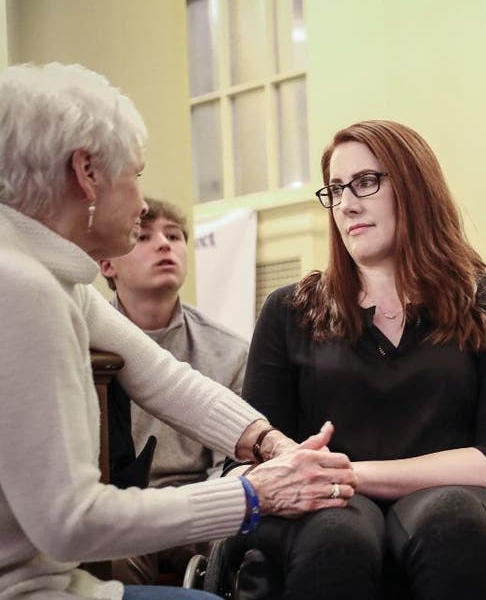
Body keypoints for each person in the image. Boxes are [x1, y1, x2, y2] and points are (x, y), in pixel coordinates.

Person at [0, 62, 357, 600]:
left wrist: (269, 442)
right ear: (87, 171)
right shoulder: (23, 290)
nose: (144, 202)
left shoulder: (50, 275)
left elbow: (164, 377)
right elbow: (70, 521)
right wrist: (253, 495)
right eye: (136, 173)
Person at [238, 120, 486, 599]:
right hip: (324, 512)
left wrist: (351, 475)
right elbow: (258, 452)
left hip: (454, 506)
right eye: (336, 190)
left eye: (366, 182)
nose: (348, 205)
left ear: (416, 189)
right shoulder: (289, 311)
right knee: (335, 532)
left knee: (450, 518)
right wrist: (331, 485)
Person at [99, 198, 249, 585]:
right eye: (143, 236)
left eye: (174, 235)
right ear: (107, 265)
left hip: (199, 508)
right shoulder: (87, 345)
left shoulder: (230, 349)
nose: (164, 245)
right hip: (121, 511)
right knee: (112, 558)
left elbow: (228, 465)